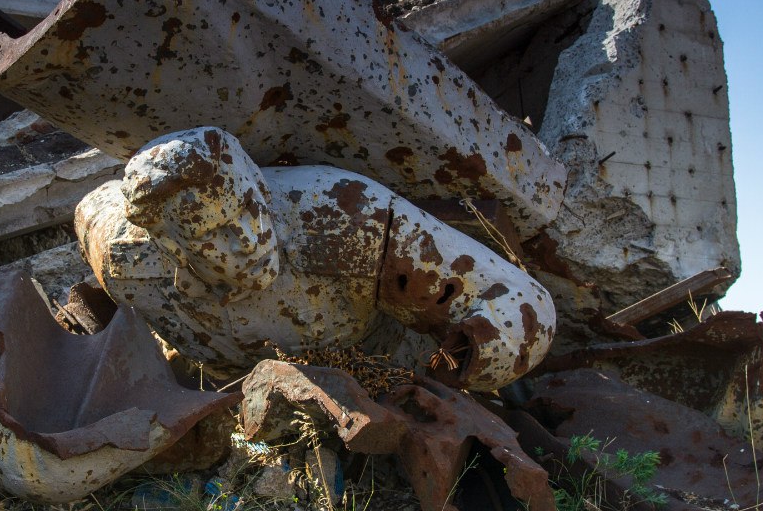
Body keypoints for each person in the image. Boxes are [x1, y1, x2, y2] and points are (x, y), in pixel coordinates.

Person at [76, 127, 554, 390]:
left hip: (385, 375)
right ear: (174, 247)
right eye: (216, 233)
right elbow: (90, 211)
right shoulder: (129, 260)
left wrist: (475, 355)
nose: (249, 238)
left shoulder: (345, 217)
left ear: (260, 185)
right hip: (228, 388)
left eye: (249, 208)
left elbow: (522, 305)